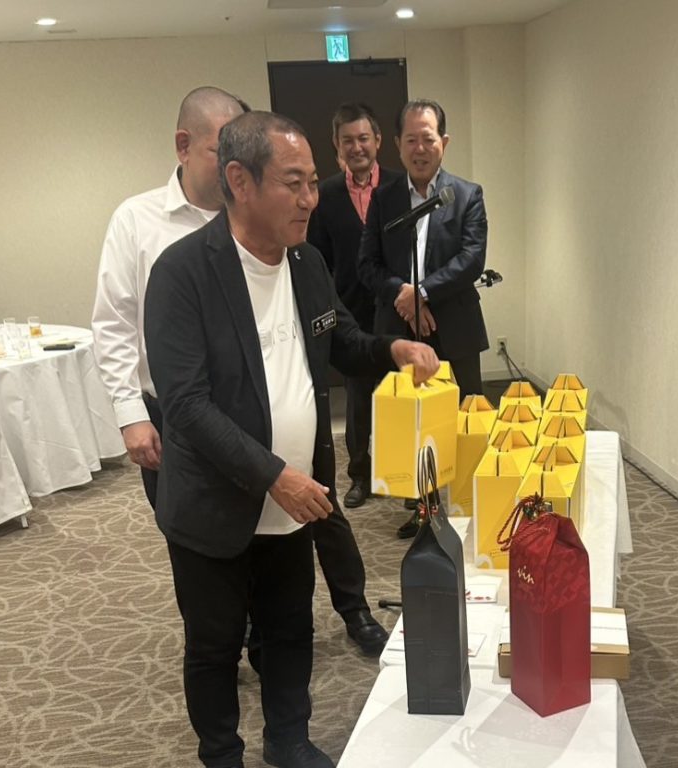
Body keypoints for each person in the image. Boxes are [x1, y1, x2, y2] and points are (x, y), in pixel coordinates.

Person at [143, 111, 439, 768]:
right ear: (240, 181)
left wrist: (391, 348)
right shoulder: (183, 273)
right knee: (215, 645)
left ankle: (289, 739)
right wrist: (274, 475)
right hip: (217, 505)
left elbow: (339, 341)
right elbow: (186, 406)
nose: (310, 198)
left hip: (294, 497)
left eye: (312, 182)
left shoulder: (306, 263)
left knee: (289, 628)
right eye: (294, 183)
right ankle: (221, 754)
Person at [92, 86, 248, 509]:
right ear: (184, 146)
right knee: (188, 532)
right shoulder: (136, 220)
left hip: (249, 409)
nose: (235, 168)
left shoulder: (251, 218)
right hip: (173, 417)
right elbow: (114, 322)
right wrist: (131, 415)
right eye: (221, 152)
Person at [357, 98, 489, 397]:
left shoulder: (467, 195)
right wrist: (403, 296)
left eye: (428, 139)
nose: (420, 149)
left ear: (444, 142)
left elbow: (472, 259)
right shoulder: (383, 198)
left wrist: (422, 293)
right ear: (397, 144)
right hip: (396, 329)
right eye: (411, 140)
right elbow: (367, 264)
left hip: (456, 329)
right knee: (401, 414)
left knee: (463, 414)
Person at [307, 103, 403, 510]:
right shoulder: (324, 195)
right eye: (348, 140)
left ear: (378, 141)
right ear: (336, 145)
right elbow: (318, 258)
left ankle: (401, 474)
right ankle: (361, 476)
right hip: (350, 315)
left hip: (397, 311)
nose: (357, 147)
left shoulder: (400, 188)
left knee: (401, 399)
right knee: (359, 399)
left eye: (364, 138)